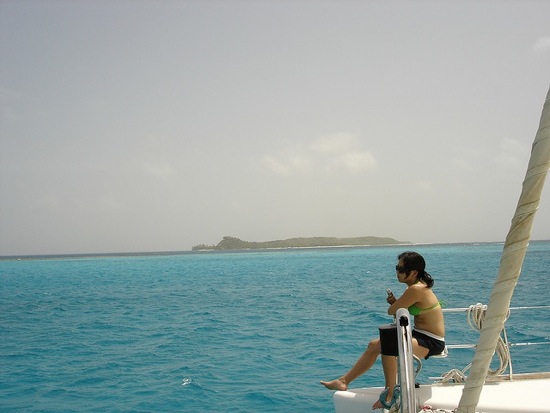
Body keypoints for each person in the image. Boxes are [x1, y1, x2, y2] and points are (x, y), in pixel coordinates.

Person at [320, 251, 445, 410]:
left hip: (431, 341)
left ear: (414, 272)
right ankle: (343, 381)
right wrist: (396, 303)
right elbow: (399, 307)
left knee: (389, 345)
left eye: (401, 269)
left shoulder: (416, 289)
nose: (397, 272)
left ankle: (390, 393)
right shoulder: (415, 287)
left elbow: (392, 310)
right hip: (419, 335)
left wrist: (395, 304)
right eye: (396, 268)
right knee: (374, 345)